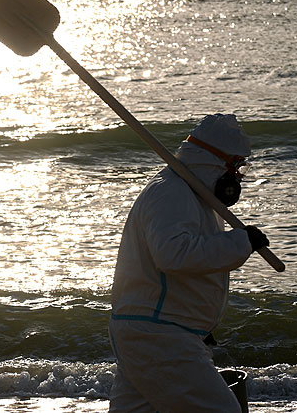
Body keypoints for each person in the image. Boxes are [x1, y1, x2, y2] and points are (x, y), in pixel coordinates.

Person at [108, 113, 269, 412]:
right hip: (160, 337)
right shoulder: (172, 192)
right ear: (214, 161)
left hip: (152, 332)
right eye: (235, 165)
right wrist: (239, 242)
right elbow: (173, 254)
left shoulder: (188, 192)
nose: (237, 176)